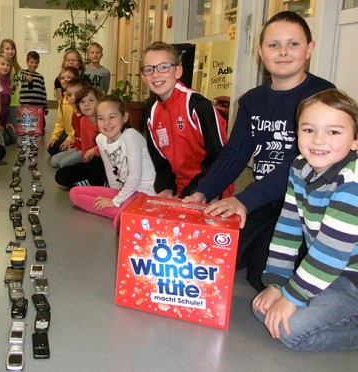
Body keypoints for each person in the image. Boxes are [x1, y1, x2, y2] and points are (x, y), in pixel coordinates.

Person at [184, 11, 335, 291]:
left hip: (306, 207)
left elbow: (301, 163)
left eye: (294, 44)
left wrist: (244, 199)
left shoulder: (322, 97)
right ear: (260, 52)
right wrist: (202, 192)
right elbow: (235, 155)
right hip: (265, 201)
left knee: (261, 276)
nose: (283, 52)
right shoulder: (252, 101)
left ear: (309, 49)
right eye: (273, 45)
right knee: (217, 253)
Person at [251, 89, 358, 351]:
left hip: (351, 282)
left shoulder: (352, 180)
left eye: (334, 132)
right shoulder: (300, 167)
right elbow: (287, 229)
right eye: (308, 130)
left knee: (290, 332)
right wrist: (276, 283)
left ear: (355, 141)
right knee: (264, 310)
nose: (319, 140)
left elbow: (330, 252)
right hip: (330, 275)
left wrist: (293, 296)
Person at [141, 41, 233, 199]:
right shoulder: (152, 114)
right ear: (143, 77)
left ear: (178, 71)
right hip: (180, 190)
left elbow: (219, 158)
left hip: (210, 188)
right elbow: (161, 162)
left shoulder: (198, 106)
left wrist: (196, 192)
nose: (155, 75)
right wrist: (166, 189)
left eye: (164, 67)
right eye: (149, 69)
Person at [69, 95, 156, 229]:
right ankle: (123, 212)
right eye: (101, 118)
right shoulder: (101, 140)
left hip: (143, 192)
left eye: (112, 117)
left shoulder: (130, 135)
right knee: (75, 193)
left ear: (125, 117)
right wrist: (115, 194)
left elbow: (135, 176)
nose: (106, 123)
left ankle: (123, 214)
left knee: (120, 224)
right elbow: (111, 170)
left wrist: (115, 201)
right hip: (125, 191)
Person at [55, 85, 107, 188]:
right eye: (82, 102)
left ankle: (94, 182)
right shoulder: (83, 120)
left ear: (99, 102)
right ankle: (88, 182)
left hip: (107, 159)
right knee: (61, 175)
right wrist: (85, 164)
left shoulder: (105, 120)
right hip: (92, 161)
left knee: (96, 173)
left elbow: (110, 143)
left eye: (91, 100)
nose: (86, 104)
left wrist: (94, 151)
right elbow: (85, 146)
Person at [50, 76, 90, 167]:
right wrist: (72, 148)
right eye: (69, 95)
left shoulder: (86, 116)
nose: (72, 98)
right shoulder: (74, 112)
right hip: (77, 147)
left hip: (85, 150)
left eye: (76, 94)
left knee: (62, 164)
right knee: (54, 161)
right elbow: (76, 134)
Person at [47, 66, 80, 156]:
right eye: (62, 78)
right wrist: (54, 137)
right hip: (67, 132)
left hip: (77, 134)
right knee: (51, 149)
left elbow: (79, 125)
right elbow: (60, 122)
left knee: (63, 150)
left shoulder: (78, 100)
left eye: (69, 77)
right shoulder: (62, 100)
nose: (65, 80)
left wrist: (69, 139)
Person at [20, 51, 49, 130]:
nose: (33, 65)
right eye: (31, 62)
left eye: (36, 63)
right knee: (26, 126)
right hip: (26, 106)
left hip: (38, 107)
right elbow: (17, 77)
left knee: (40, 126)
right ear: (27, 62)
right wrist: (25, 76)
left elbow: (43, 93)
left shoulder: (40, 77)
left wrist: (45, 107)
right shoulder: (22, 73)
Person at [0, 54, 17, 145]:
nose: (5, 67)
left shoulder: (8, 82)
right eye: (2, 64)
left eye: (8, 65)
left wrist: (8, 122)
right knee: (6, 140)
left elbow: (7, 107)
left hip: (3, 120)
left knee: (13, 138)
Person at [0, 39, 22, 132]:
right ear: (2, 50)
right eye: (7, 48)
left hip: (14, 103)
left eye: (12, 48)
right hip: (3, 102)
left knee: (14, 128)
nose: (10, 51)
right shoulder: (2, 68)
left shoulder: (17, 69)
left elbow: (18, 88)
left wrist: (18, 103)